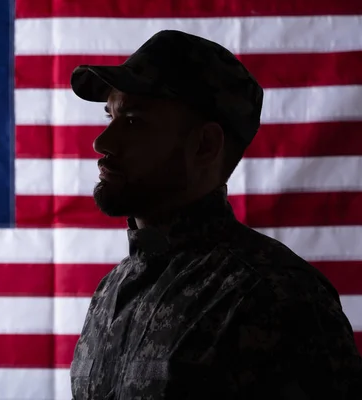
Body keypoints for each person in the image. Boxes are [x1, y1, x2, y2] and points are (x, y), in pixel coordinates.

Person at [69, 30, 362, 399]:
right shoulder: (111, 291)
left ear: (205, 145)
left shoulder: (276, 295)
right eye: (109, 116)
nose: (102, 142)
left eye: (132, 122)